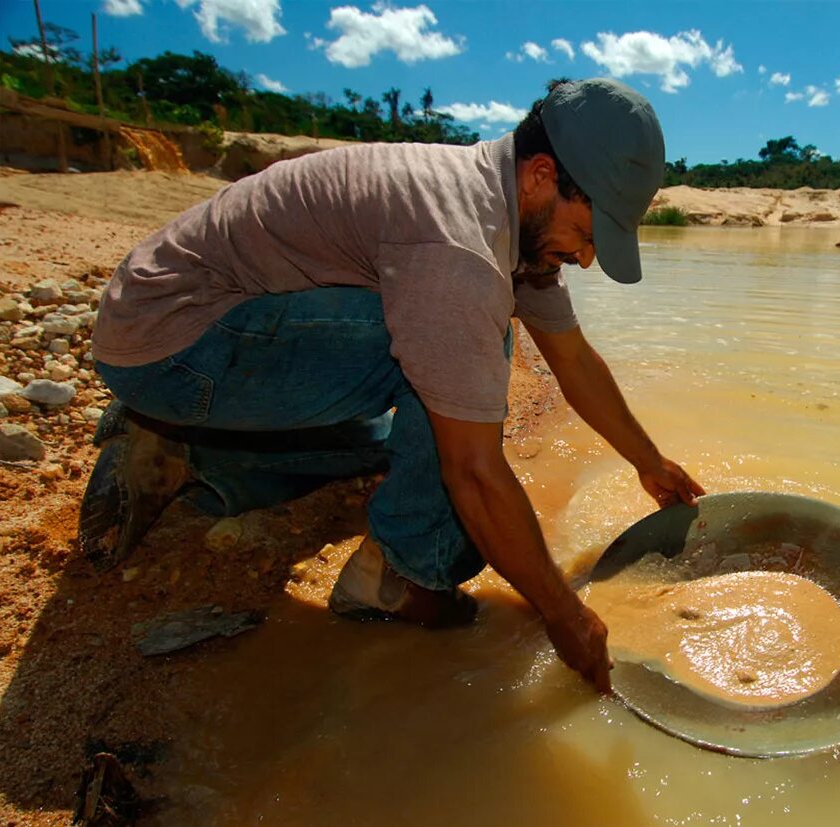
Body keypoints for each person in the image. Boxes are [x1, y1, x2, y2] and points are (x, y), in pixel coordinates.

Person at [78, 78, 705, 691]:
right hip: (175, 345)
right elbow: (475, 473)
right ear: (542, 175)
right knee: (465, 368)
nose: (588, 259)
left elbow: (573, 359)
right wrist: (562, 613)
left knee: (401, 435)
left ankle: (188, 454)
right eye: (590, 236)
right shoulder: (460, 249)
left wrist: (649, 463)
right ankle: (400, 576)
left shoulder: (504, 211)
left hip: (175, 326)